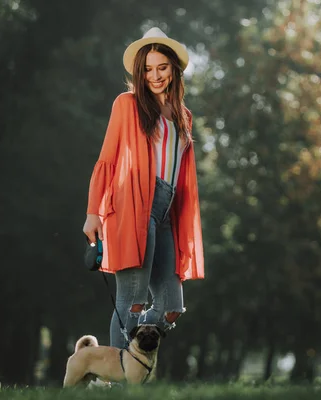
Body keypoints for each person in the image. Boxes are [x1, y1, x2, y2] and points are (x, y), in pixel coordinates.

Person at [82, 27, 205, 349]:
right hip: (135, 205)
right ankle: (121, 382)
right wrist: (93, 212)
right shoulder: (128, 104)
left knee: (172, 307)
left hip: (167, 212)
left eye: (162, 67)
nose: (155, 75)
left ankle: (130, 362)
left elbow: (182, 173)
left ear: (174, 70)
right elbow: (107, 159)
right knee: (132, 302)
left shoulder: (184, 117)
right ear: (139, 72)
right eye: (148, 69)